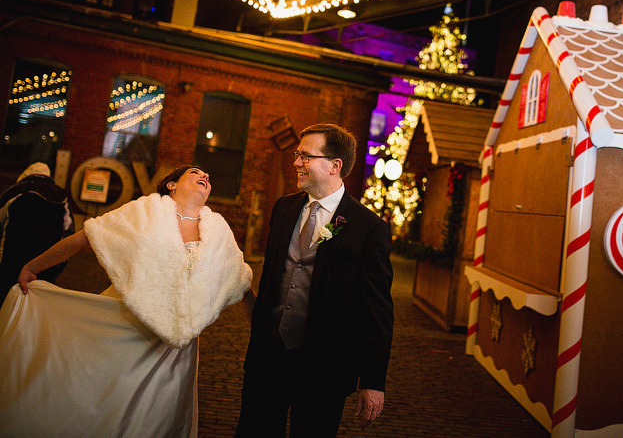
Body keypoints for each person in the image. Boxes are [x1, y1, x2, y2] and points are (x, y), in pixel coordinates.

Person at [0, 165, 253, 437]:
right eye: (194, 172)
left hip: (174, 348)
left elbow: (240, 281)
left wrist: (262, 328)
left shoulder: (218, 231)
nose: (205, 176)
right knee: (107, 405)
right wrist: (33, 267)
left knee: (157, 418)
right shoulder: (144, 212)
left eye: (208, 175)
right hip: (124, 327)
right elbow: (85, 237)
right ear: (172, 184)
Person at [236, 124, 394, 437]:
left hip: (325, 368)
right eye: (298, 155)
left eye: (306, 156)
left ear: (335, 166)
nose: (297, 163)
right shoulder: (284, 208)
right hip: (268, 359)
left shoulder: (368, 227)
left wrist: (373, 381)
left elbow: (376, 308)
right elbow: (273, 279)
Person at [0, 162, 73, 301]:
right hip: (46, 262)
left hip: (11, 258)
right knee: (40, 298)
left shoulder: (14, 192)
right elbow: (68, 230)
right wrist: (58, 263)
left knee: (6, 294)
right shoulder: (60, 196)